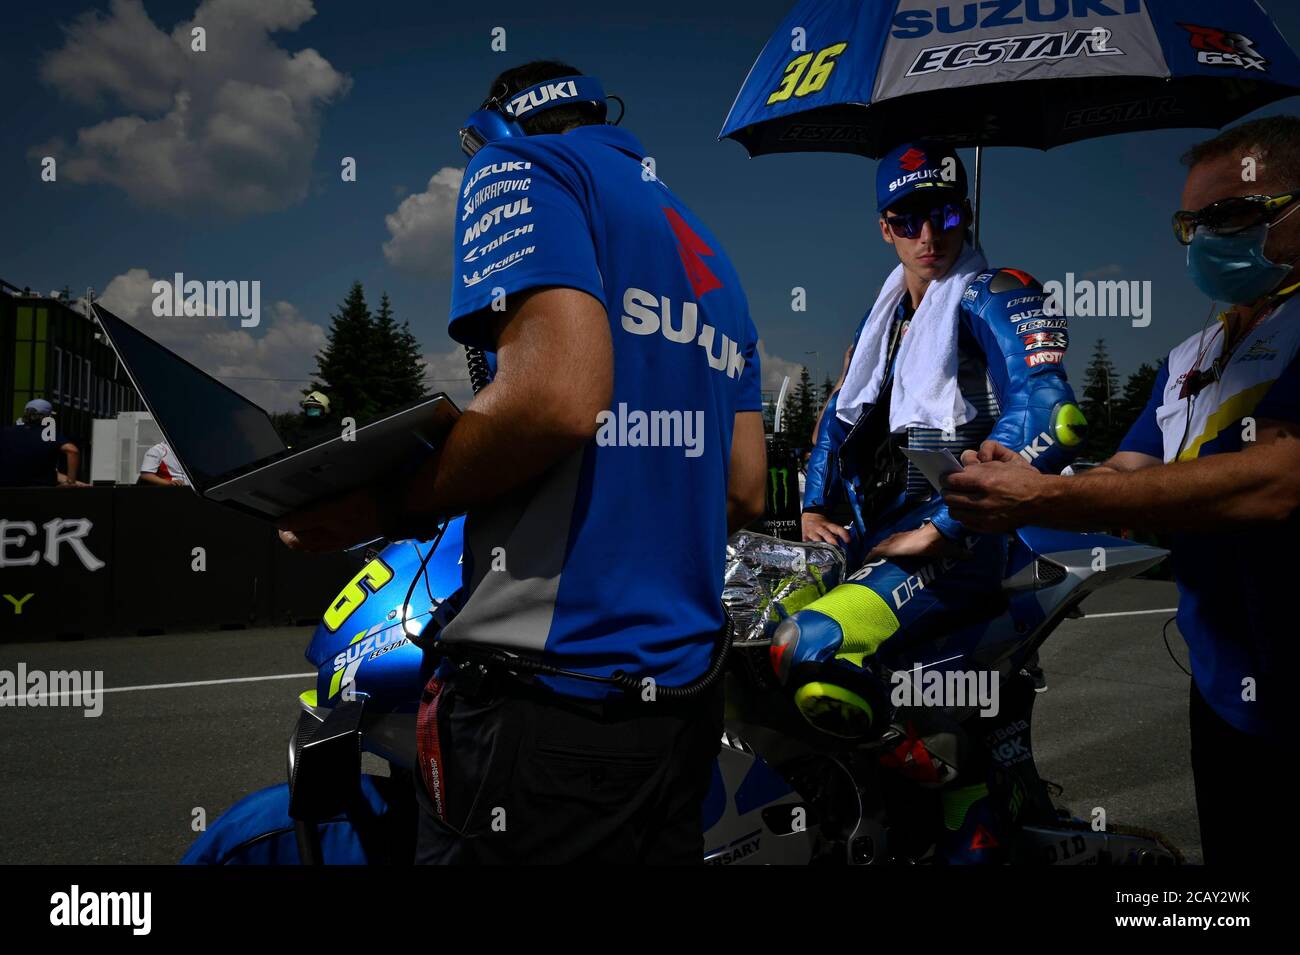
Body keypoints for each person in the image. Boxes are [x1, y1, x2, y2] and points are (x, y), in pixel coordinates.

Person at [278, 60, 767, 864]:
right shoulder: (709, 250)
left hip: (546, 701)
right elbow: (745, 488)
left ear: (494, 128)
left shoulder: (521, 165)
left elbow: (554, 399)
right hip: (681, 708)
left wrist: (382, 506)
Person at [942, 116, 1300, 866]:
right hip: (1226, 687)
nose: (1205, 240)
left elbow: (1277, 481)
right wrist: (1030, 478)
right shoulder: (1189, 357)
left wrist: (1042, 501)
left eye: (1230, 215)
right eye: (1189, 223)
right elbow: (1128, 471)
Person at [775, 141, 1085, 861]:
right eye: (907, 217)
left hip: (961, 545)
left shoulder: (998, 290)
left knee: (811, 646)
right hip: (875, 535)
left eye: (944, 213)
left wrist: (946, 525)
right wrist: (814, 506)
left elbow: (1052, 415)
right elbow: (839, 415)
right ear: (884, 226)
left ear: (966, 212)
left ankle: (947, 766)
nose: (929, 234)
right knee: (748, 629)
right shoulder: (882, 315)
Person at [0, 399, 82, 487]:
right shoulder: (49, 435)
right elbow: (72, 450)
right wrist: (71, 482)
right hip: (41, 491)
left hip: (7, 490)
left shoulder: (6, 432)